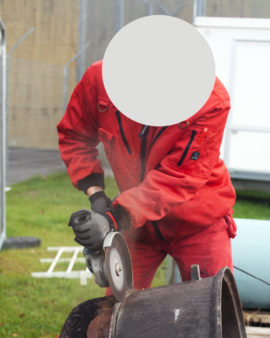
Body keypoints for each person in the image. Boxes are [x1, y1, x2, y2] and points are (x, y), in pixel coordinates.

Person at [57, 31, 236, 291]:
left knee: (215, 311)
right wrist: (96, 195)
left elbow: (179, 177)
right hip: (137, 227)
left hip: (198, 224)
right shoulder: (100, 80)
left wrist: (113, 217)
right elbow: (74, 135)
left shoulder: (210, 101)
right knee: (116, 313)